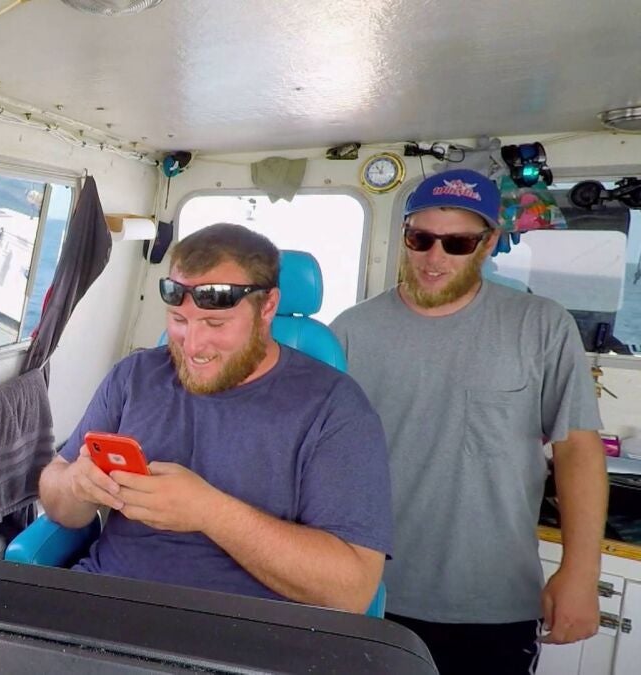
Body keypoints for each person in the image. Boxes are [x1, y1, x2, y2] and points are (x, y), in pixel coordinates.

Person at [330, 169, 608, 673]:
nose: (434, 258)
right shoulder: (351, 330)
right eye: (420, 239)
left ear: (489, 242)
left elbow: (578, 451)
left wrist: (581, 572)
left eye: (457, 243)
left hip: (493, 603)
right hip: (368, 591)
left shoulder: (541, 325)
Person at [37, 223, 392, 613]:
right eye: (179, 320)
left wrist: (210, 513)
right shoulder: (134, 376)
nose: (192, 346)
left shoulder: (334, 408)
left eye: (215, 324)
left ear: (267, 307)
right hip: (103, 604)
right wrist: (76, 485)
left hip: (242, 629)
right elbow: (56, 490)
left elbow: (351, 590)